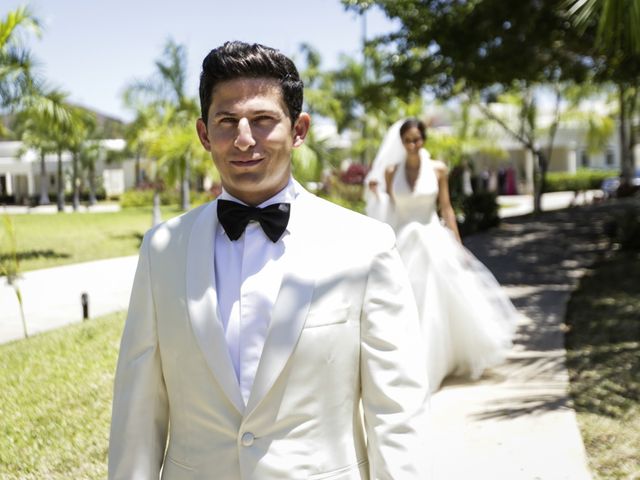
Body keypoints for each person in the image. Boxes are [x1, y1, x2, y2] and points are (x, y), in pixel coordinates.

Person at [109, 42, 430, 479]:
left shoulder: (366, 246)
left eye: (263, 120)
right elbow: (138, 410)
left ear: (298, 129)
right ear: (204, 134)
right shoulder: (161, 249)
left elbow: (397, 410)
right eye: (227, 121)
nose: (244, 139)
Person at [366, 118, 519, 393]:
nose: (413, 144)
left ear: (423, 139)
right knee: (408, 302)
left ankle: (439, 360)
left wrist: (458, 244)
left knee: (439, 300)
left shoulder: (438, 169)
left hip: (433, 239)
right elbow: (389, 209)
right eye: (408, 140)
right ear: (401, 142)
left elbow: (446, 208)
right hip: (403, 243)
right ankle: (411, 361)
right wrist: (377, 196)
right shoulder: (391, 171)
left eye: (417, 139)